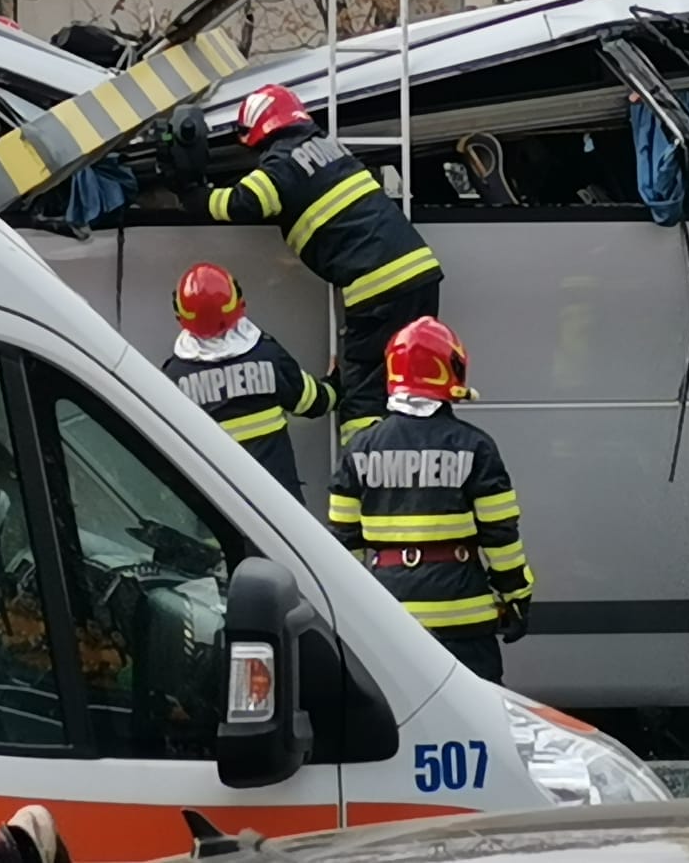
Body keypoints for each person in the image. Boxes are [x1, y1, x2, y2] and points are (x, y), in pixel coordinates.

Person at [186, 83, 442, 442]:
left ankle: (364, 474)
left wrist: (192, 195)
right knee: (412, 380)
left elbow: (242, 202)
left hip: (378, 286)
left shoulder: (283, 162)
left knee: (364, 392)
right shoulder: (327, 147)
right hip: (418, 271)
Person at [327, 317, 532, 681]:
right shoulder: (476, 447)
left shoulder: (359, 448)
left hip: (389, 614)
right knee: (479, 719)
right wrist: (516, 594)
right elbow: (501, 535)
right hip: (462, 617)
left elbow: (343, 542)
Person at [161, 261, 336, 496]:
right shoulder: (267, 355)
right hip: (278, 506)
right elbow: (314, 403)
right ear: (238, 302)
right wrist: (337, 380)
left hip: (216, 509)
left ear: (179, 315)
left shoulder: (174, 377)